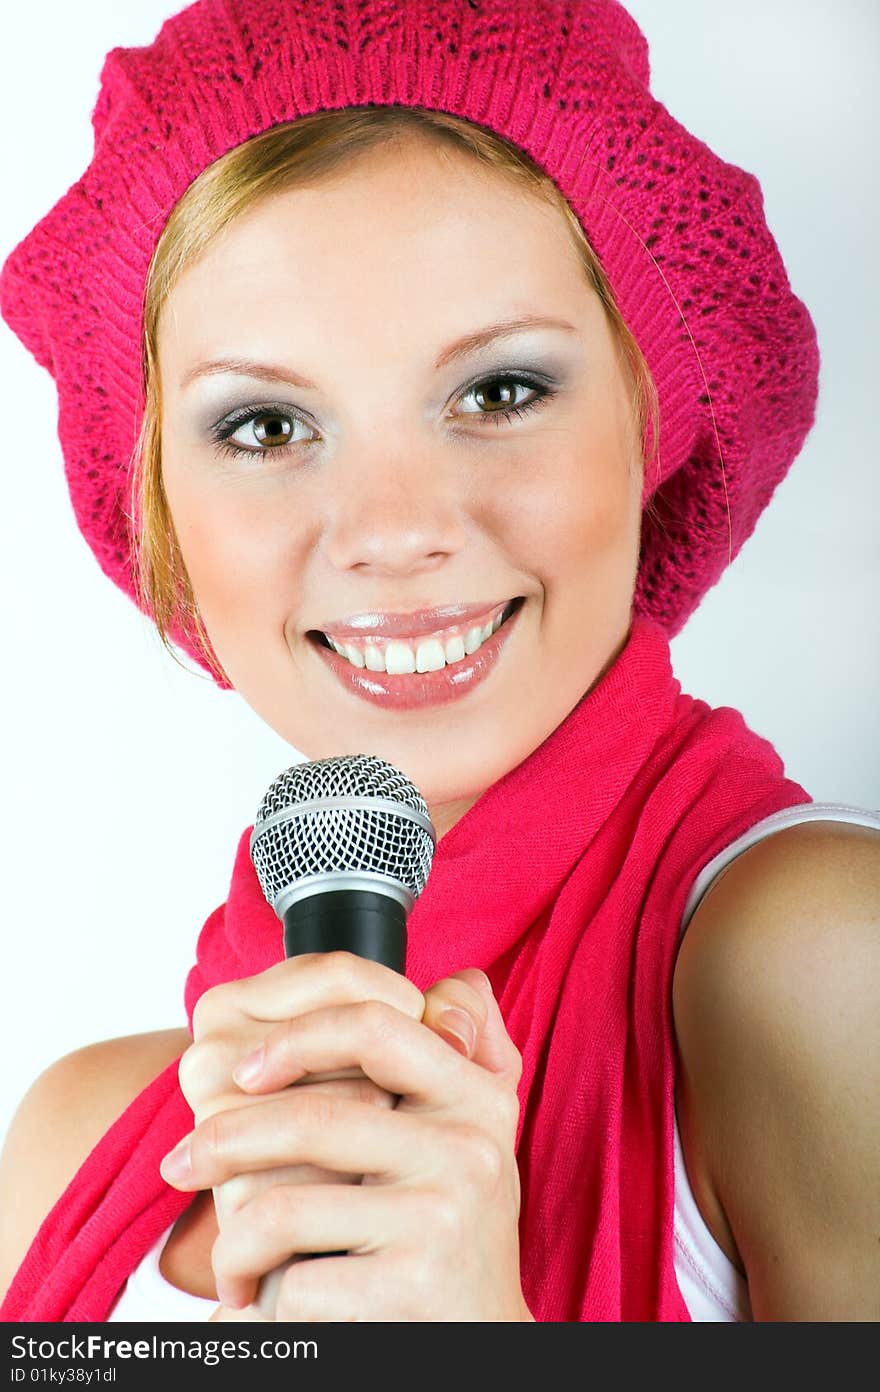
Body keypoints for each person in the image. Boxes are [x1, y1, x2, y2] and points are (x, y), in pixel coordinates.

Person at [0, 0, 877, 1324]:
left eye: (500, 392)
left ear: (656, 419)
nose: (396, 531)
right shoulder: (77, 1137)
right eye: (264, 422)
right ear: (157, 498)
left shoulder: (812, 960)